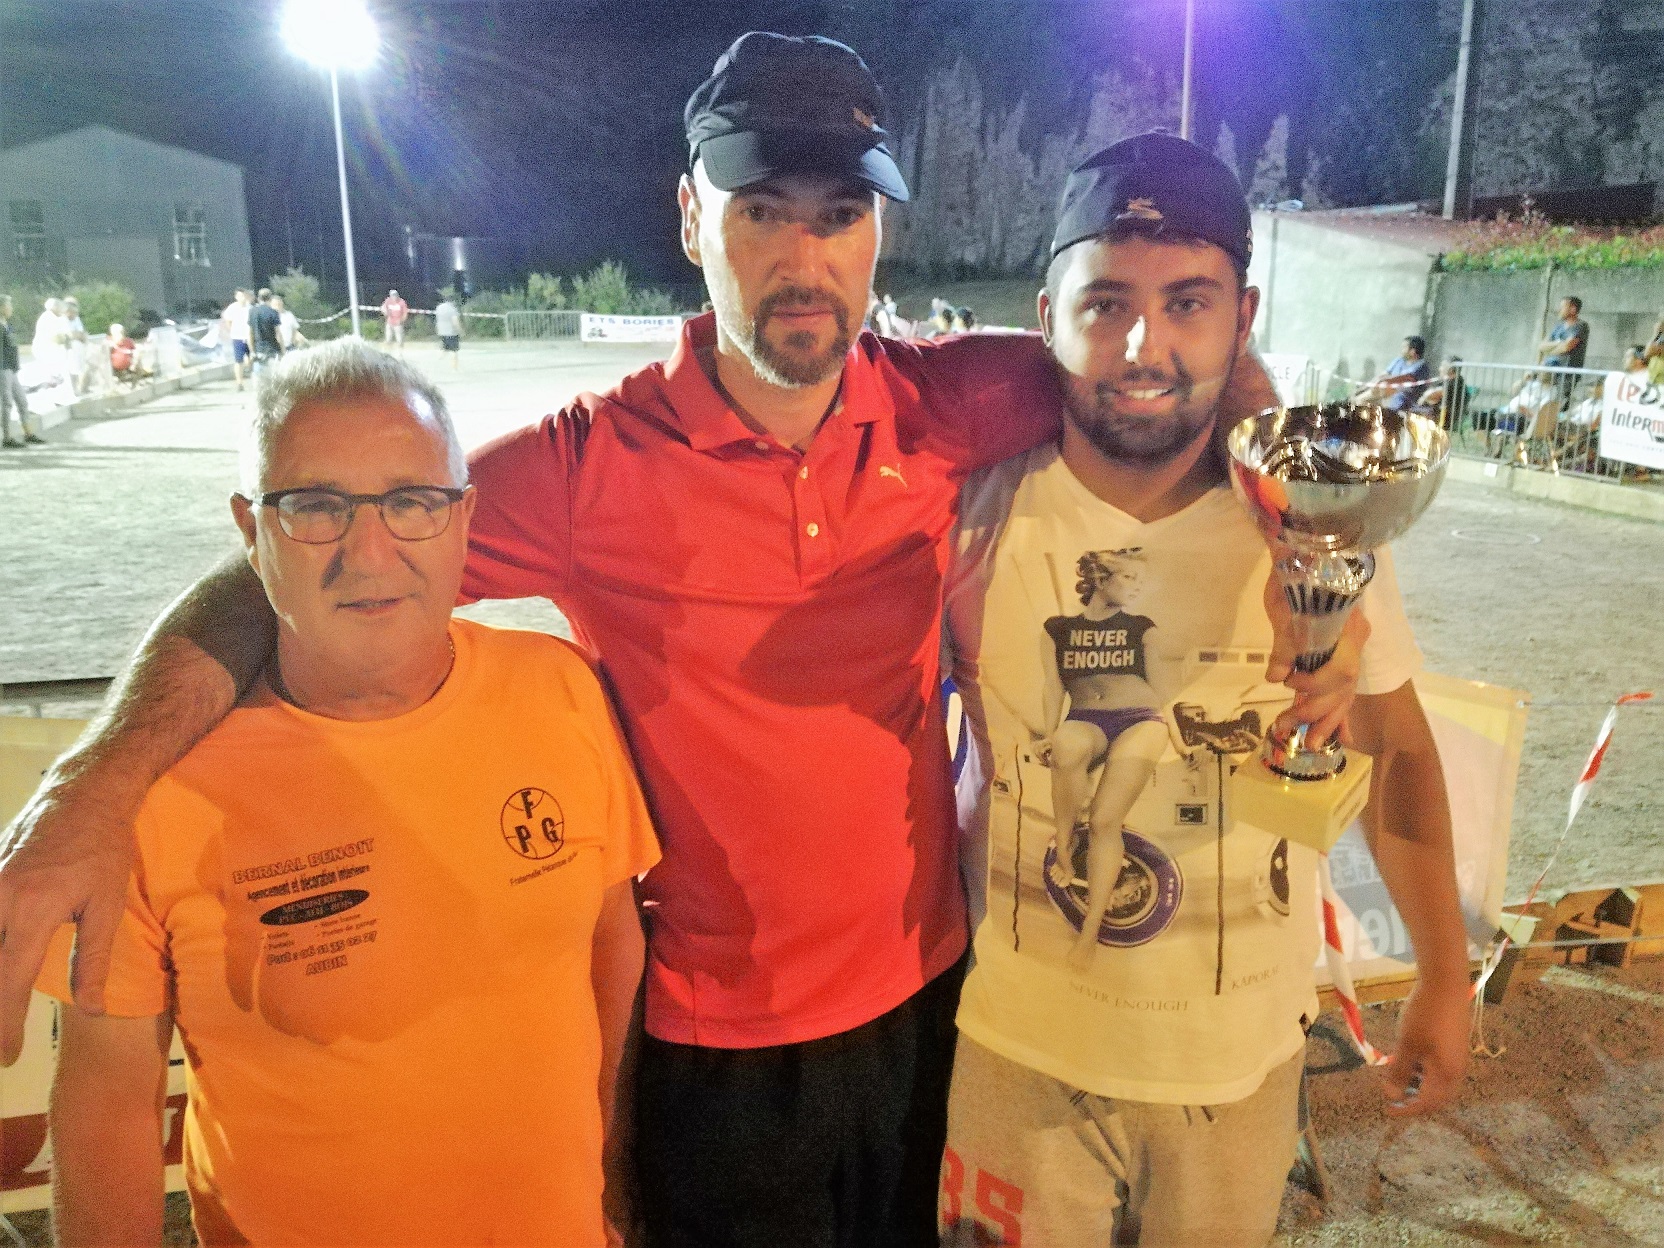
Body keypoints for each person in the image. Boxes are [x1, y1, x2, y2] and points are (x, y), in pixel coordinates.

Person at [0, 33, 1350, 1248]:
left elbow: (1175, 353)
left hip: (940, 1001)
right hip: (716, 1051)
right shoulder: (594, 467)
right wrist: (87, 790)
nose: (803, 256)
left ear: (877, 235)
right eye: (763, 211)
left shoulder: (957, 399)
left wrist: (1280, 470)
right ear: (694, 217)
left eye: (838, 217)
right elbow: (309, 557)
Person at [939, 133, 1471, 1247]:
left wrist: (1441, 972)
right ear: (1045, 316)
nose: (1144, 346)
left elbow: (1400, 762)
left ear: (1243, 313)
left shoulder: (1315, 528)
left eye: (1187, 303)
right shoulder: (969, 516)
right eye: (1105, 306)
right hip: (1013, 1057)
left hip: (1236, 1073)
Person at [36, 339, 658, 1247]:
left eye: (411, 503)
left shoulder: (558, 689)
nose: (370, 554)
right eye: (317, 509)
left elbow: (612, 946)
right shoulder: (153, 791)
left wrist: (608, 1179)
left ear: (463, 519)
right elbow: (107, 1117)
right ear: (251, 531)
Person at [1038, 547, 1169, 972]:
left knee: (1104, 821)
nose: (1135, 587)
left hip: (1139, 720)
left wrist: (1183, 740)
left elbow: (1164, 691)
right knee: (1067, 746)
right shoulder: (1057, 629)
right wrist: (1047, 730)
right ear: (1099, 578)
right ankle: (1064, 843)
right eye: (1128, 577)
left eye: (1139, 581)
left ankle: (1090, 932)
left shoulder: (1141, 628)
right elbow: (1053, 687)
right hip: (1085, 718)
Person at [1, 294, 47, 446]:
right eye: (8, 305)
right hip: (3, 368)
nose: (11, 308)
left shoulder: (7, 324)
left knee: (22, 401)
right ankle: (7, 437)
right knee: (7, 402)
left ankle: (28, 433)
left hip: (10, 368)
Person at [1537, 295, 1588, 401]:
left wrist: (1551, 350)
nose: (1559, 310)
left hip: (1567, 374)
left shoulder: (1580, 326)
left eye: (1563, 307)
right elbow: (1542, 346)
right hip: (1549, 370)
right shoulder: (1559, 326)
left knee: (1558, 403)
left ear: (1573, 309)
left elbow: (1567, 347)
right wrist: (1559, 343)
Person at [1359, 335, 1431, 411]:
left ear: (1413, 351)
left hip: (1406, 403)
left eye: (1404, 347)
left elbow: (1408, 377)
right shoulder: (1398, 361)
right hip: (1385, 398)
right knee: (1358, 400)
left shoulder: (1422, 366)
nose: (1401, 350)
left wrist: (1385, 380)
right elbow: (1383, 375)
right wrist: (1366, 387)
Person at [221, 289, 253, 391]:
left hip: (250, 337)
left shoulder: (250, 308)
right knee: (238, 361)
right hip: (237, 337)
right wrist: (232, 331)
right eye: (240, 296)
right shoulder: (232, 308)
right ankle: (239, 383)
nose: (242, 298)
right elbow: (228, 321)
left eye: (244, 295)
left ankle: (253, 378)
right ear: (236, 297)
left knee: (252, 359)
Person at [248, 287, 284, 369]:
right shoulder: (273, 312)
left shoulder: (252, 312)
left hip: (258, 348)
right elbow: (278, 333)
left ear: (258, 298)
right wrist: (283, 350)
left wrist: (252, 351)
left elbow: (250, 333)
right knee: (274, 373)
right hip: (272, 348)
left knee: (259, 374)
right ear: (270, 298)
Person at [434, 294, 463, 370]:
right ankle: (454, 368)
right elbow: (455, 321)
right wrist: (460, 330)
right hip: (451, 332)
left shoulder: (439, 308)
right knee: (454, 351)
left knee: (445, 348)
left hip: (442, 331)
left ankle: (435, 362)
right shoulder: (452, 309)